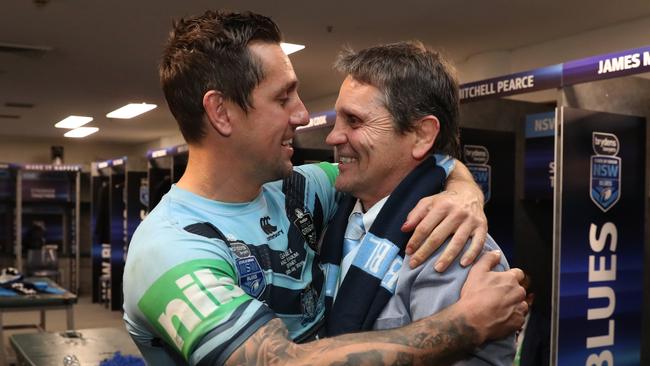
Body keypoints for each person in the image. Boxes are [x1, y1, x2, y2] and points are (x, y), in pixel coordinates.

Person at [122, 10, 527, 365]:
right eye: (283, 98)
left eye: (353, 121)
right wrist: (466, 323)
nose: (303, 116)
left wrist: (462, 190)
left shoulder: (300, 190)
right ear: (221, 112)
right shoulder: (170, 247)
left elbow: (408, 169)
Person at [321, 41, 515, 364]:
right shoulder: (328, 213)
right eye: (337, 120)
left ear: (422, 135)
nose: (333, 137)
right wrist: (463, 183)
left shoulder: (450, 248)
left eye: (354, 122)